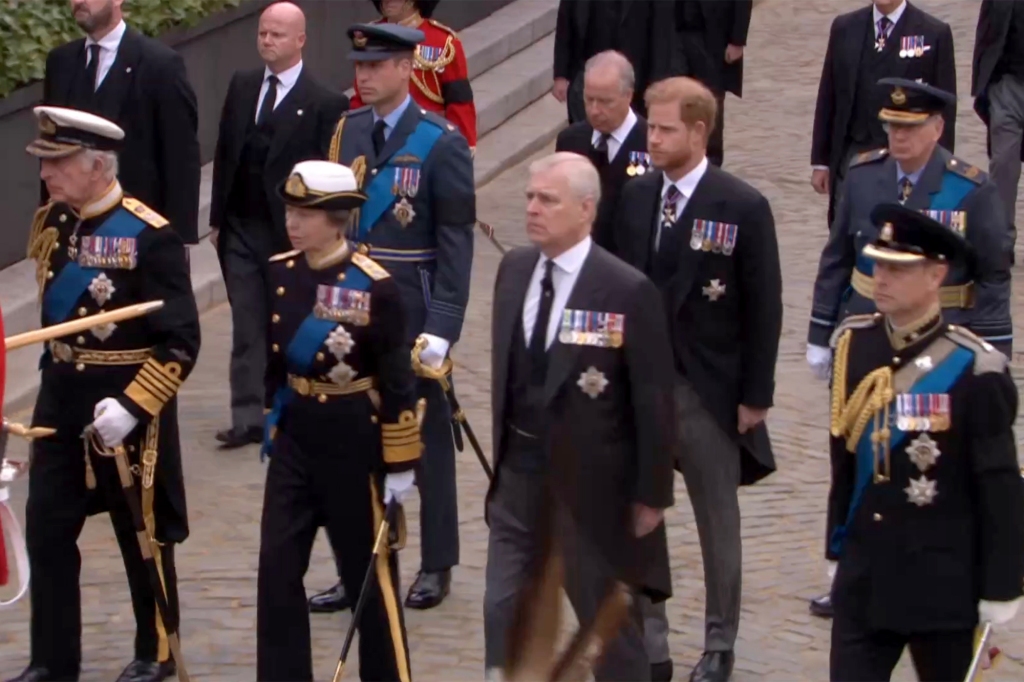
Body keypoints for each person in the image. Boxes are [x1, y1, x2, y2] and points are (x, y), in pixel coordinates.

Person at [806, 77, 1013, 618]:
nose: (897, 136)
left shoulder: (969, 188)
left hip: (939, 343)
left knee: (927, 458)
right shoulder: (865, 174)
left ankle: (934, 569)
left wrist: (993, 343)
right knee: (854, 454)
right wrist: (820, 332)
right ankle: (847, 559)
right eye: (892, 126)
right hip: (865, 336)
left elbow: (992, 272)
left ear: (937, 128)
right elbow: (837, 257)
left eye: (910, 127)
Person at [9, 106, 200, 682]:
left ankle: (157, 649)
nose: (48, 175)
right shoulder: (51, 223)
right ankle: (52, 659)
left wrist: (136, 406)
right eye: (46, 164)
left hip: (124, 405)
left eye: (58, 163)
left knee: (140, 532)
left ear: (96, 164)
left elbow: (181, 341)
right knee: (46, 531)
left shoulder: (151, 235)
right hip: (61, 400)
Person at [484, 151, 676, 682]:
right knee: (502, 608)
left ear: (586, 209)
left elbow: (653, 401)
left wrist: (652, 494)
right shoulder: (514, 270)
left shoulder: (624, 289)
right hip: (518, 475)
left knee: (605, 624)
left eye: (548, 199)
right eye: (529, 198)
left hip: (592, 486)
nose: (533, 209)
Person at [615, 77, 783, 682]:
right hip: (642, 388)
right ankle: (649, 633)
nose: (651, 139)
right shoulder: (635, 199)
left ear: (698, 131)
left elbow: (765, 307)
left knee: (718, 523)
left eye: (663, 129)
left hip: (708, 391)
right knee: (637, 515)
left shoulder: (740, 205)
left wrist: (755, 396)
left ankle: (719, 642)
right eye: (650, 127)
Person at [312, 21, 475, 613]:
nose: (364, 76)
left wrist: (444, 325)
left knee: (425, 437)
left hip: (412, 308)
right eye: (359, 67)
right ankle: (359, 562)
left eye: (377, 66)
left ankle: (437, 562)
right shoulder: (347, 132)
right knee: (354, 439)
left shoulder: (441, 140)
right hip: (353, 310)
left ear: (407, 69)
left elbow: (455, 240)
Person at [824, 202, 1024, 682]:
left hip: (941, 588)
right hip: (866, 579)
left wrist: (1001, 587)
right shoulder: (854, 346)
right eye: (879, 265)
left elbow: (998, 485)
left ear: (936, 275)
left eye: (898, 269)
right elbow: (845, 463)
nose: (881, 278)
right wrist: (836, 548)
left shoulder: (977, 369)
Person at [256, 160, 417, 682]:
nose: (293, 222)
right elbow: (274, 360)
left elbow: (397, 381)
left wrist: (400, 461)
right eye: (290, 210)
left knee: (367, 578)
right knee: (277, 572)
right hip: (296, 437)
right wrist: (270, 417)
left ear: (339, 218)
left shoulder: (378, 287)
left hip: (354, 441)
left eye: (305, 213)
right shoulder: (280, 272)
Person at [209, 1, 349, 450]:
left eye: (278, 35)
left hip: (290, 231)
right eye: (263, 33)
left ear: (301, 40)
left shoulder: (324, 101)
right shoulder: (243, 84)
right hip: (240, 227)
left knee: (287, 319)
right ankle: (247, 416)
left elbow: (330, 168)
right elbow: (226, 152)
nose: (267, 41)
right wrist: (216, 220)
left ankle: (288, 403)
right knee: (247, 323)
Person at [42, 0, 201, 246]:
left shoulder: (160, 64)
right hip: (72, 231)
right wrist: (47, 225)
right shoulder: (60, 62)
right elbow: (50, 145)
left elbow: (180, 156)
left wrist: (177, 239)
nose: (79, 2)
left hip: (136, 233)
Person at [811, 0, 956, 227]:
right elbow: (829, 94)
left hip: (906, 154)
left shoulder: (933, 33)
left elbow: (944, 110)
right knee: (846, 229)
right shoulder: (844, 28)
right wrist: (821, 162)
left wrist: (941, 167)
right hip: (852, 154)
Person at [350, 0, 477, 152]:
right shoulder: (367, 36)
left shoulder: (443, 42)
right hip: (377, 134)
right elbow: (360, 97)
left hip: (427, 138)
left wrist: (461, 145)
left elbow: (459, 101)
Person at [555, 51, 649, 253]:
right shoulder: (570, 141)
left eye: (606, 101)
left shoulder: (651, 143)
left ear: (628, 95)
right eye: (589, 100)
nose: (595, 110)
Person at [552, 0, 680, 124]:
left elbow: (662, 33)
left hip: (637, 75)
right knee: (584, 134)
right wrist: (560, 75)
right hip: (585, 71)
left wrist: (658, 81)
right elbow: (565, 23)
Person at [971, 0, 1024, 258]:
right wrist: (983, 89)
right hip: (1008, 87)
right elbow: (985, 37)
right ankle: (1001, 243)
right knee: (1003, 164)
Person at [672, 0, 753, 167]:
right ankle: (679, 155)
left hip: (712, 32)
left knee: (711, 96)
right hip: (673, 29)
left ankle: (712, 161)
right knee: (673, 95)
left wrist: (737, 39)